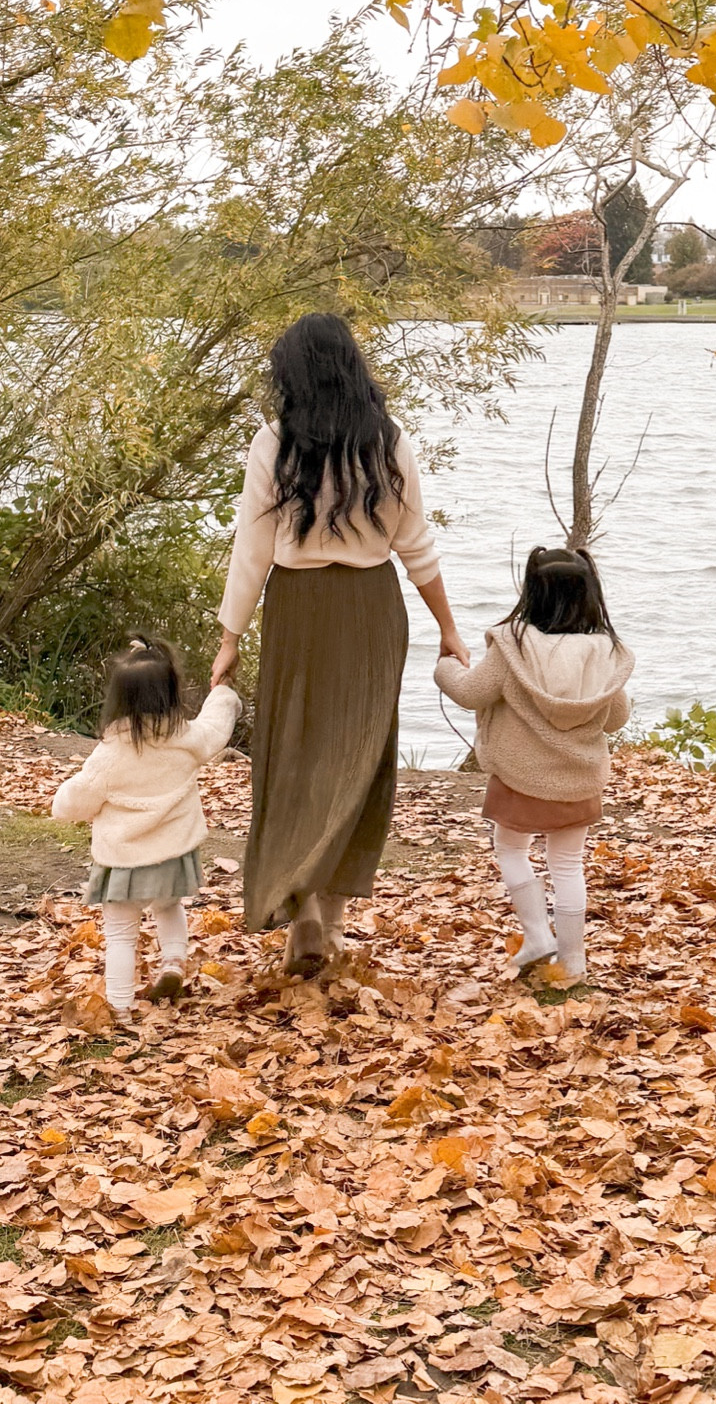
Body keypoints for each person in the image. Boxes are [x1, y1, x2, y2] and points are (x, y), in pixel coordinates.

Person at [212, 312, 467, 977]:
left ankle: (305, 922)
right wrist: (447, 627)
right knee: (355, 758)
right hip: (370, 607)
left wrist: (228, 637)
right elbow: (417, 547)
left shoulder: (276, 441)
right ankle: (328, 920)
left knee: (295, 754)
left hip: (299, 608)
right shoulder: (387, 441)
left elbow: (251, 550)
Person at [433, 545, 631, 982]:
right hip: (578, 780)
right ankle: (574, 963)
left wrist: (445, 667)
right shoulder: (604, 652)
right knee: (567, 865)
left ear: (531, 593)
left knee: (510, 848)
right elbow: (616, 718)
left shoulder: (512, 646)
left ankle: (538, 934)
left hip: (521, 775)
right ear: (588, 595)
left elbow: (470, 693)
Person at [51, 635, 239, 1025]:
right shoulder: (186, 738)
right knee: (169, 905)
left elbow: (76, 800)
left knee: (121, 933)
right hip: (173, 853)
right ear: (171, 692)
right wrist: (223, 693)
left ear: (117, 700)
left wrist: (58, 803)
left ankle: (119, 1008)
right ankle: (173, 963)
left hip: (125, 862)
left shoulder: (112, 754)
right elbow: (216, 726)